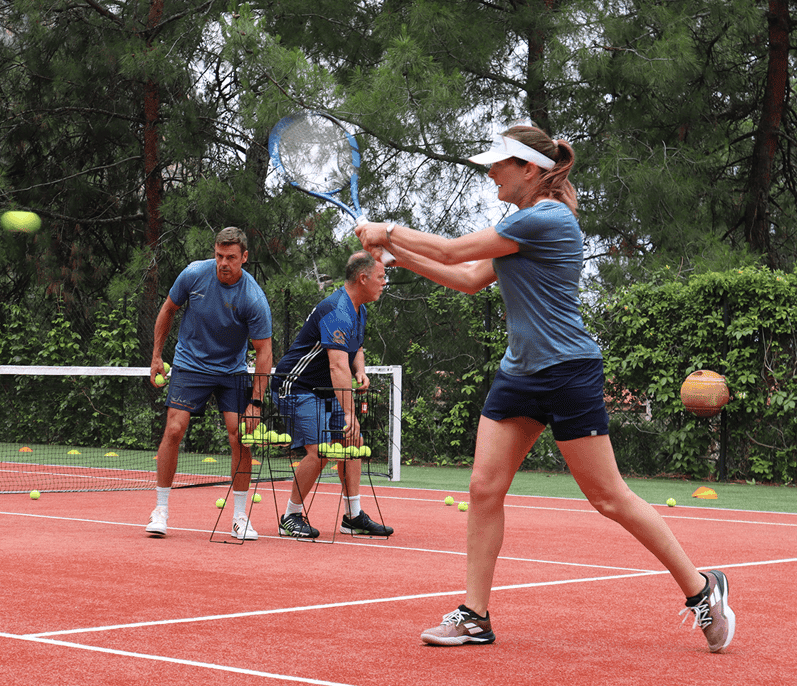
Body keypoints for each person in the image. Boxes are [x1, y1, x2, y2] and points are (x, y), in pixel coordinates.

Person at [356, 122, 734, 653]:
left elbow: (451, 250)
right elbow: (466, 277)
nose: (490, 173)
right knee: (484, 489)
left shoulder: (546, 218)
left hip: (568, 372)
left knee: (609, 497)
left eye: (498, 165)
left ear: (528, 170)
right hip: (519, 374)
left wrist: (389, 231)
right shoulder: (520, 224)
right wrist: (397, 255)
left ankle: (702, 589)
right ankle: (474, 616)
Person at [146, 227, 273, 540]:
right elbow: (168, 310)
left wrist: (256, 403)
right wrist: (157, 356)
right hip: (191, 363)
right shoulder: (194, 274)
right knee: (174, 429)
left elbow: (264, 352)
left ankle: (240, 517)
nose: (223, 263)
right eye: (219, 255)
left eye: (230, 257)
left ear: (244, 257)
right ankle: (160, 510)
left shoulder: (253, 298)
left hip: (231, 370)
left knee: (240, 436)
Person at [270, 251, 394, 539]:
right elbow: (337, 364)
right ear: (363, 278)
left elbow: (355, 350)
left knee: (353, 442)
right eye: (380, 277)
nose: (384, 282)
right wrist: (350, 412)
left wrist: (360, 371)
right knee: (320, 450)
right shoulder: (336, 309)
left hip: (325, 389)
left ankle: (353, 517)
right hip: (295, 386)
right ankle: (290, 516)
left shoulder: (358, 309)